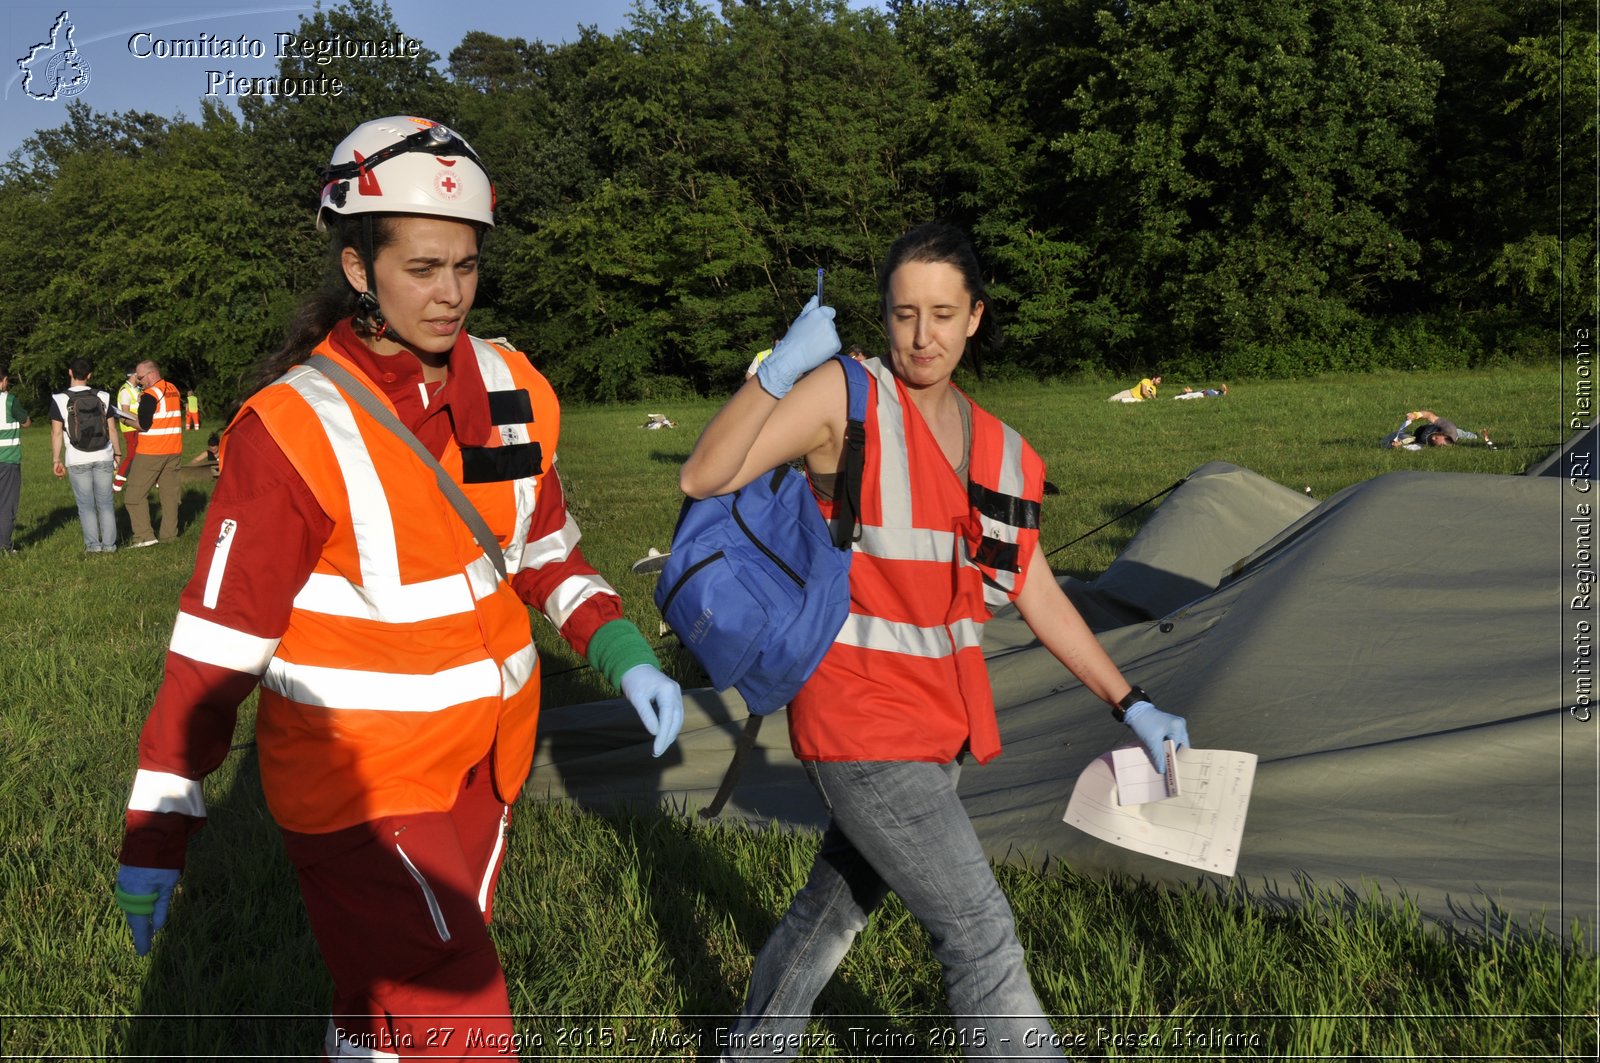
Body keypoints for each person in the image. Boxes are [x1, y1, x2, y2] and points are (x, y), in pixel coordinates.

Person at [112, 115, 684, 1060]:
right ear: (356, 268)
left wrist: (623, 656)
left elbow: (540, 544)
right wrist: (155, 832)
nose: (450, 293)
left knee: (380, 1007)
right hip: (362, 787)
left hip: (482, 762)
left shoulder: (508, 384)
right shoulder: (292, 428)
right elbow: (213, 650)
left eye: (465, 266)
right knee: (465, 1026)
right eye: (422, 268)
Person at [680, 223, 1191, 1058]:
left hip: (938, 729)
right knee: (981, 933)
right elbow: (705, 475)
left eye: (944, 314)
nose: (923, 336)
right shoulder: (844, 397)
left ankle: (752, 1048)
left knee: (834, 905)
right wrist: (778, 371)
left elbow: (1035, 587)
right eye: (905, 313)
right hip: (857, 721)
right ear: (882, 315)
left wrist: (1130, 702)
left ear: (976, 318)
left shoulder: (1001, 450)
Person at [49, 358, 122, 553]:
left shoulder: (59, 399)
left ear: (70, 372)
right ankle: (109, 546)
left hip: (77, 458)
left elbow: (56, 432)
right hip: (104, 455)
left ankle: (93, 546)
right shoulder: (104, 396)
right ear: (90, 375)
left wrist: (56, 459)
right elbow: (112, 429)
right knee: (106, 503)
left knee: (86, 505)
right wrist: (117, 452)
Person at [121, 359, 184, 546]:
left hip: (152, 451)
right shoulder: (172, 388)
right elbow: (158, 416)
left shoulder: (150, 394)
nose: (139, 382)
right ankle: (169, 536)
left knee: (133, 496)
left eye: (140, 378)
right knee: (170, 496)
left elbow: (143, 425)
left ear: (150, 374)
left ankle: (144, 537)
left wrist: (125, 420)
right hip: (174, 449)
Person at [0, 368, 30, 553]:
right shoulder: (9, 400)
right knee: (6, 503)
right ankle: (3, 545)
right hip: (8, 460)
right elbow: (26, 422)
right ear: (3, 381)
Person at [1384, 410, 1494, 449]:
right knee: (1467, 435)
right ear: (1443, 434)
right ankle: (1479, 434)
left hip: (1420, 436)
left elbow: (1413, 445)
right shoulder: (1448, 428)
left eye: (1435, 441)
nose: (1433, 438)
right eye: (1436, 437)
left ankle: (1481, 436)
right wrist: (1415, 415)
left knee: (1472, 437)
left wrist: (1399, 445)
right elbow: (1428, 415)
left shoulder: (1429, 444)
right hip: (1453, 431)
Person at [113, 364, 141, 492]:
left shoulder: (138, 389)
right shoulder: (125, 391)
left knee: (144, 454)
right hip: (130, 428)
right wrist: (143, 420)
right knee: (131, 456)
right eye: (139, 374)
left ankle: (154, 481)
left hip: (138, 427)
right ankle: (117, 484)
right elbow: (125, 411)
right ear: (134, 375)